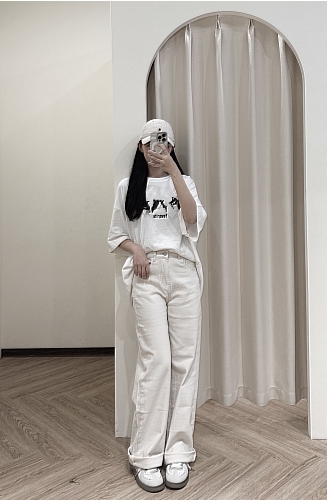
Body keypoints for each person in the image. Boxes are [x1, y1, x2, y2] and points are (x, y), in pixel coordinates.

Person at [108, 119, 207, 493]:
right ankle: (146, 454)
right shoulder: (127, 187)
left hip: (183, 271)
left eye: (163, 141)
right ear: (140, 146)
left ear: (171, 145)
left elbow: (192, 220)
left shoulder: (185, 182)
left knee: (185, 361)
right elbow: (115, 235)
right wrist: (135, 248)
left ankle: (178, 450)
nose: (156, 147)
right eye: (150, 141)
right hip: (147, 274)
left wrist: (173, 171)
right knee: (157, 361)